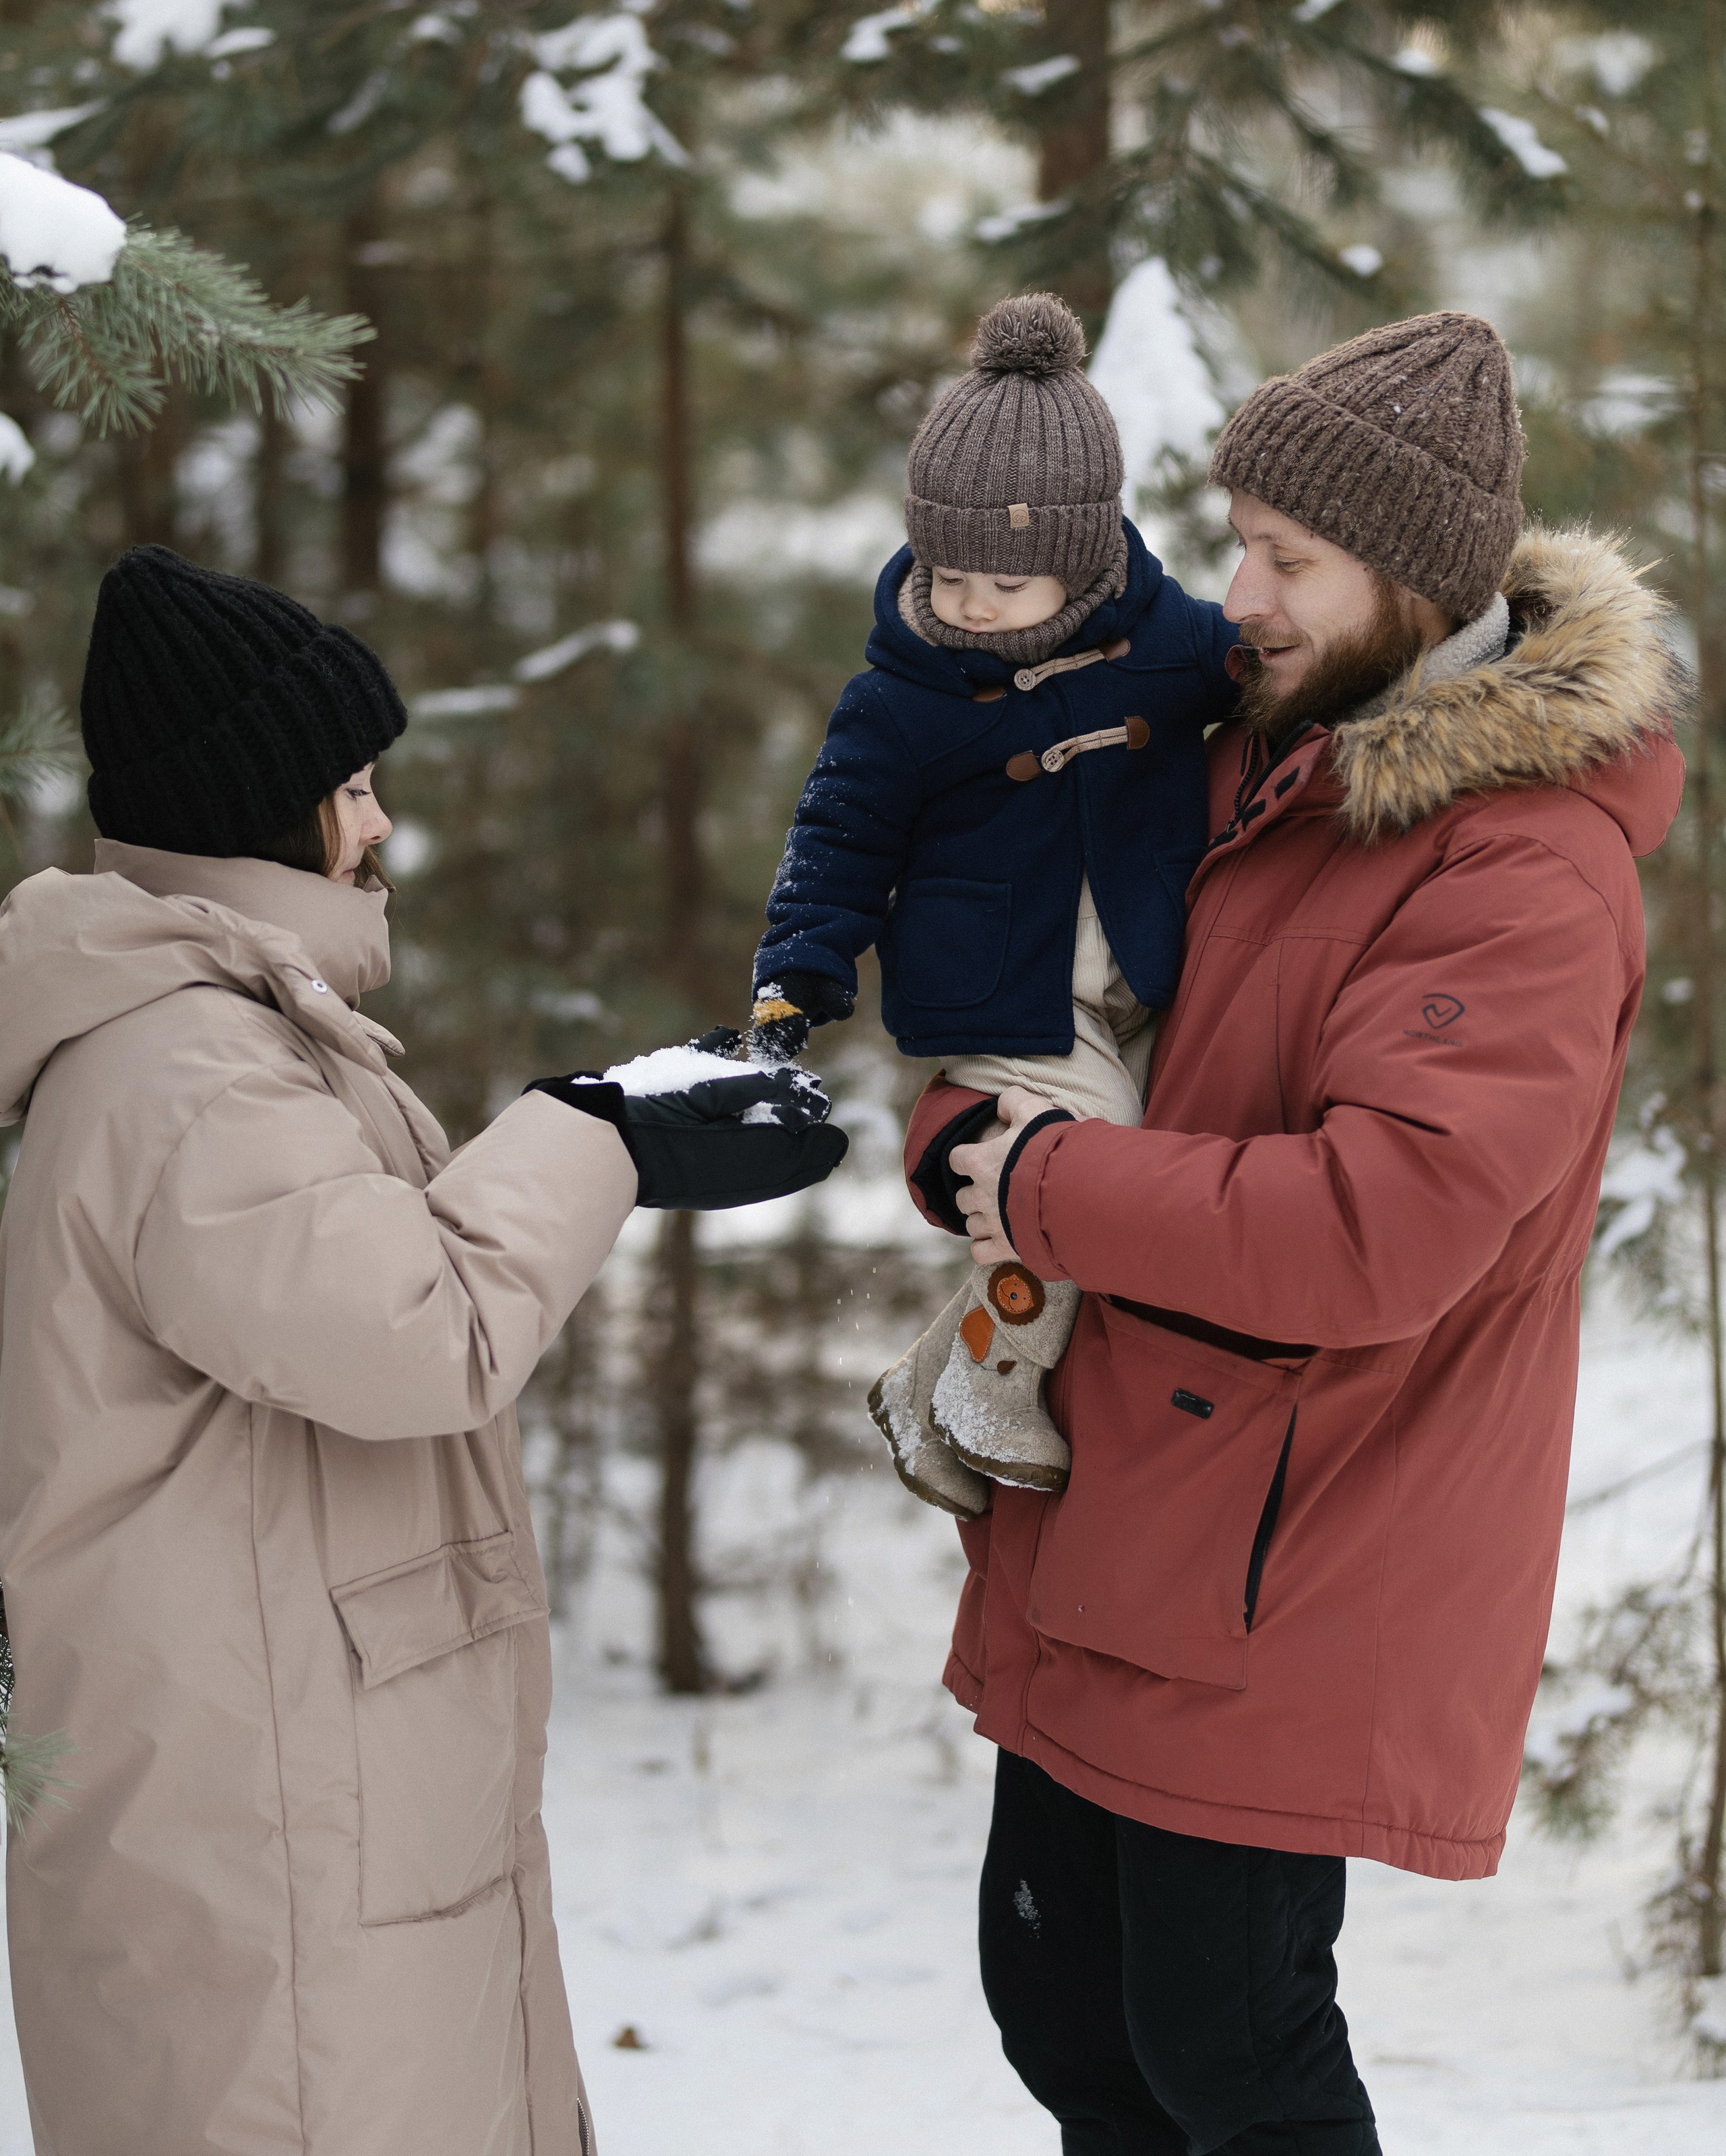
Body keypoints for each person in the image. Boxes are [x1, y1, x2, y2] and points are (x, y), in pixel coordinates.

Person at [902, 311, 1686, 2155]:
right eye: (1237, 540)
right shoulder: (1242, 753)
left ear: (1417, 583)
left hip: (1294, 1542)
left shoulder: (1521, 865)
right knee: (1068, 2024)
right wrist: (965, 1129)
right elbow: (1011, 994)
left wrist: (1031, 1182)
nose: (1238, 594)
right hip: (1113, 1502)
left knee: (1228, 2061)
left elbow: (1372, 1229)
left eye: (1291, 559)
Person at [0, 545, 837, 2156]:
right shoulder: (186, 1069)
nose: (379, 825)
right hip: (273, 1832)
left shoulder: (220, 1035)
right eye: (353, 787)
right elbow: (412, 1331)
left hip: (301, 1789)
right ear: (263, 808)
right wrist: (597, 1133)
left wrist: (610, 1125)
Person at [748, 292, 1235, 1508]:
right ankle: (992, 1379)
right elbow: (838, 835)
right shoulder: (902, 696)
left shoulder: (1169, 645)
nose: (969, 605)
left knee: (1172, 1150)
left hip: (1143, 969)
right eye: (949, 572)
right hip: (1004, 990)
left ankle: (924, 1381)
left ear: (1083, 558)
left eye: (1006, 581)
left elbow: (1274, 678)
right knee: (1077, 1166)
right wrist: (799, 969)